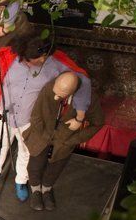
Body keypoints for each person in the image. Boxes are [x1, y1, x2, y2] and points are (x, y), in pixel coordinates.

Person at [0, 30, 92, 201]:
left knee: (26, 150)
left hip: (31, 118)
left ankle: (21, 180)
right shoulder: (9, 56)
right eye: (32, 60)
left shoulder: (56, 64)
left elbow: (83, 81)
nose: (39, 62)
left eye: (39, 58)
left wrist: (80, 115)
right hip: (5, 113)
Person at [23, 71, 103, 211]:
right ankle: (35, 189)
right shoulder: (51, 87)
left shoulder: (89, 99)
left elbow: (98, 122)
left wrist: (73, 140)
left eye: (60, 95)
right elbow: (36, 114)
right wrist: (42, 134)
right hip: (41, 134)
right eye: (55, 91)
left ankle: (46, 189)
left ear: (72, 92)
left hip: (65, 140)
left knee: (56, 166)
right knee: (35, 164)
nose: (55, 96)